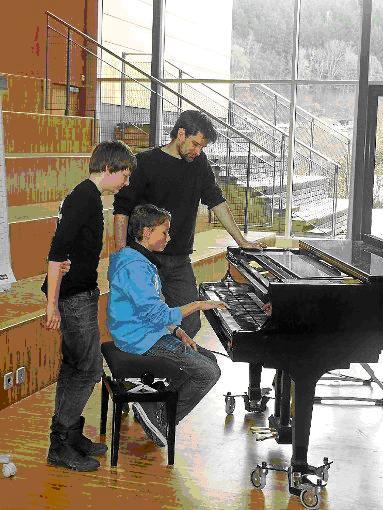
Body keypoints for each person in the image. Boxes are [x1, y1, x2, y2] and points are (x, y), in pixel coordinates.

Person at [113, 109, 265, 339]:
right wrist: (121, 253)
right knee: (147, 321)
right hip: (143, 259)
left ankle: (175, 371)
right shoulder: (145, 162)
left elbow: (216, 201)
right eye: (195, 144)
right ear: (181, 134)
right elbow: (121, 210)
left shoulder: (199, 163)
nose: (197, 151)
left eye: (202, 147)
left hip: (179, 259)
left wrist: (241, 240)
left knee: (191, 324)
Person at [42, 140, 137, 472]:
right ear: (108, 169)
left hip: (80, 292)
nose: (125, 183)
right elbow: (56, 252)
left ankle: (70, 434)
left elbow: (68, 252)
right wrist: (52, 305)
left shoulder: (89, 197)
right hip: (72, 298)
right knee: (88, 369)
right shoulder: (84, 198)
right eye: (124, 175)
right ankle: (61, 444)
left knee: (74, 367)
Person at [107, 204, 226, 447]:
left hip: (147, 333)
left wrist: (179, 331)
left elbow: (156, 313)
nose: (168, 238)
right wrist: (198, 304)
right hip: (140, 339)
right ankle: (159, 416)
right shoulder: (134, 267)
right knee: (209, 373)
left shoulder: (138, 260)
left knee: (209, 362)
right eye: (165, 232)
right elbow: (158, 315)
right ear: (147, 232)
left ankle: (156, 410)